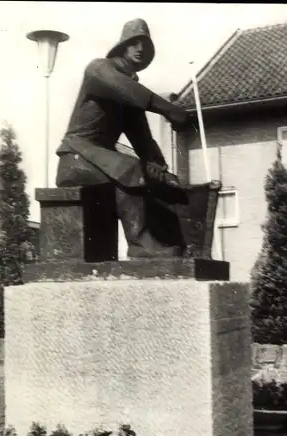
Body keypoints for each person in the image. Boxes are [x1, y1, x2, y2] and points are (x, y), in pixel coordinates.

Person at [56, 18, 194, 258]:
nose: (140, 49)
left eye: (146, 46)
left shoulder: (129, 91)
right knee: (130, 168)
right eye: (134, 43)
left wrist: (159, 166)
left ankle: (164, 240)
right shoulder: (99, 70)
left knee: (147, 172)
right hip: (76, 156)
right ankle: (139, 245)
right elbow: (129, 91)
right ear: (122, 46)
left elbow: (142, 137)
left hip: (99, 159)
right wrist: (169, 109)